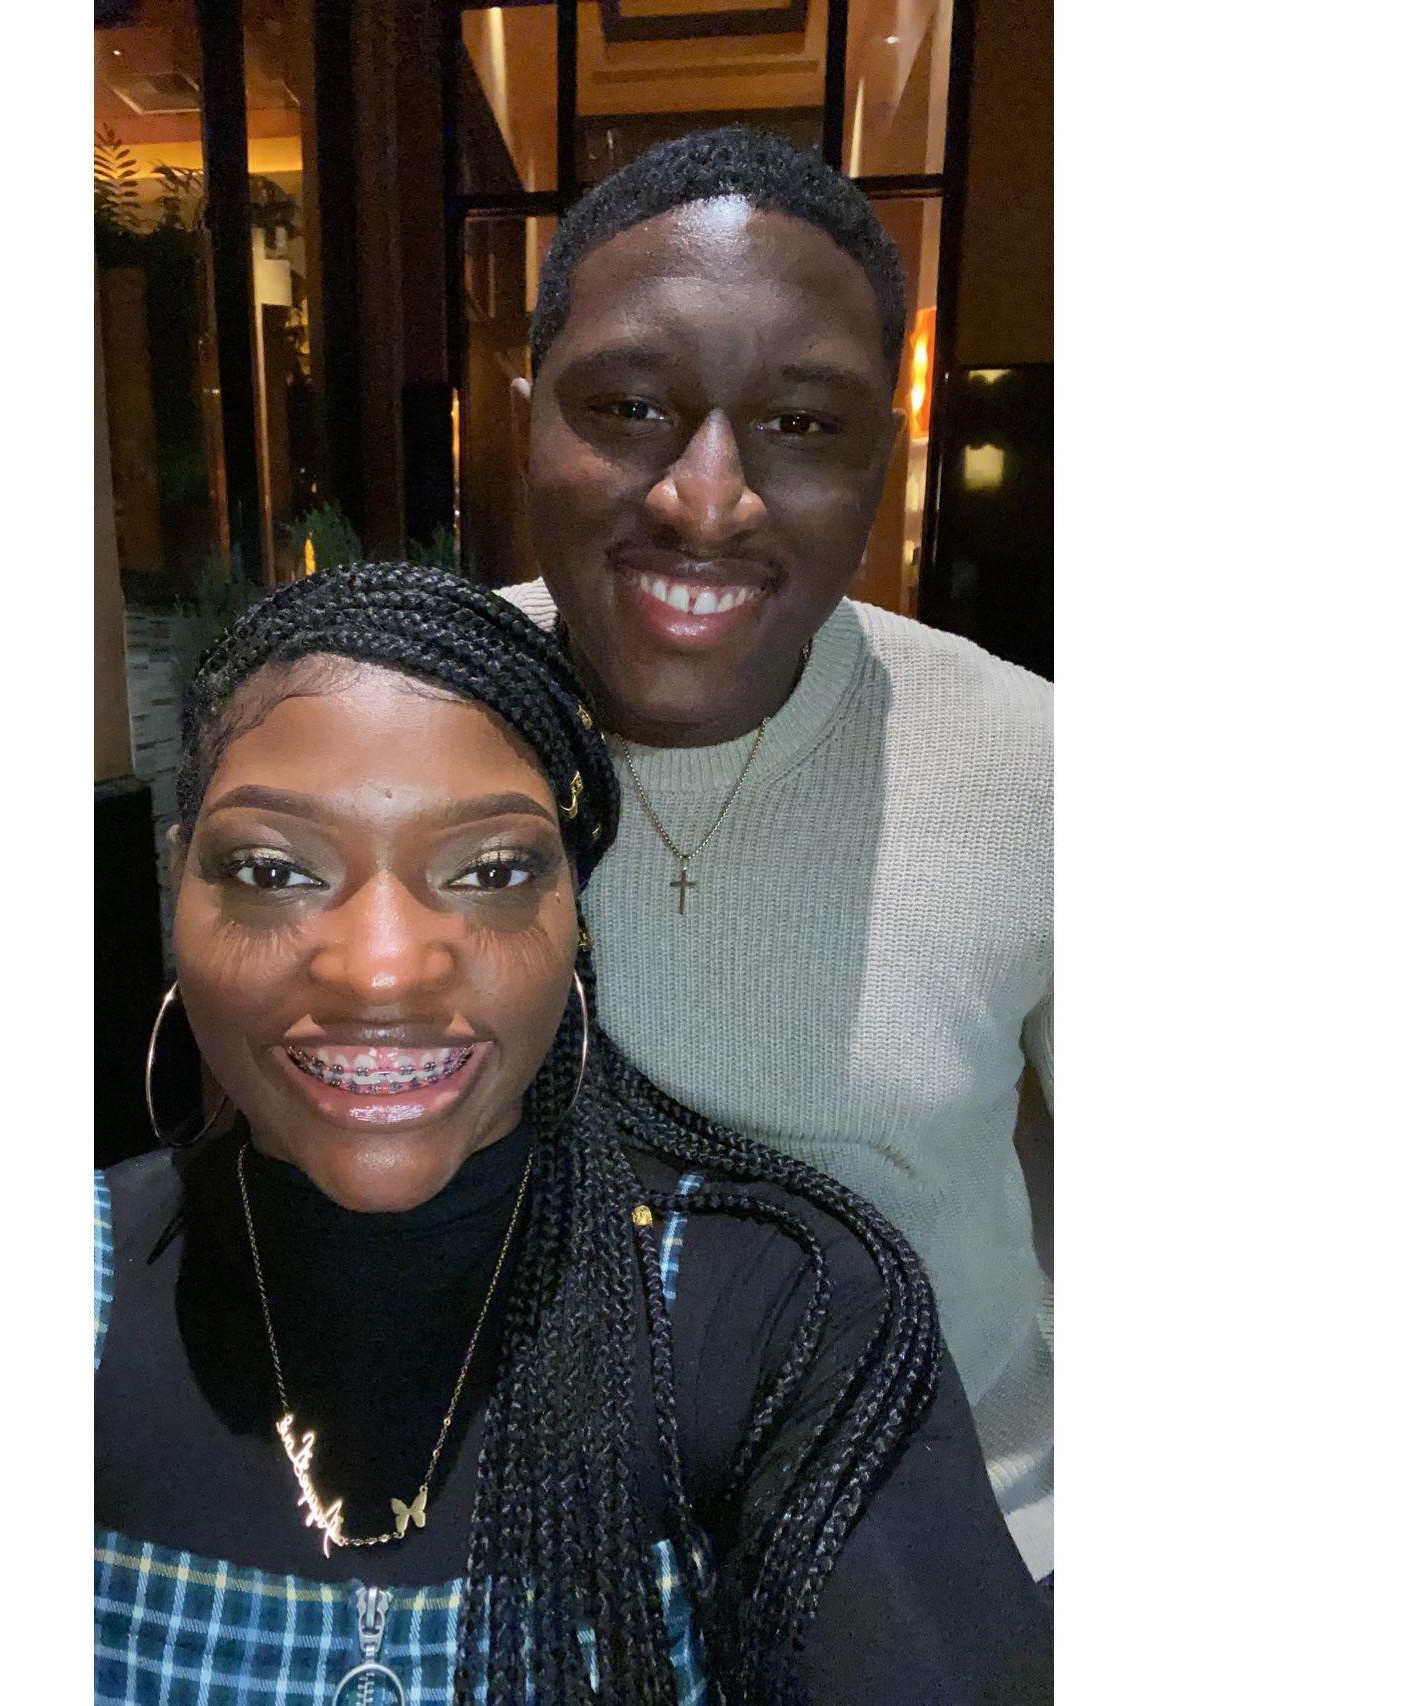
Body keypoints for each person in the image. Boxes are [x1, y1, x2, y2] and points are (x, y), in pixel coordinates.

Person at [95, 562, 1050, 1703]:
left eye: (491, 871)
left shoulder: (789, 1316)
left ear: (573, 918)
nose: (383, 971)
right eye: (274, 870)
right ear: (181, 891)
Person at [503, 126, 1055, 1580]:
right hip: (526, 1569)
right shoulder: (405, 720)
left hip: (952, 1547)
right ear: (526, 418)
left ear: (885, 454)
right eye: (628, 406)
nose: (704, 499)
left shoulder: (1040, 767)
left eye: (803, 423)